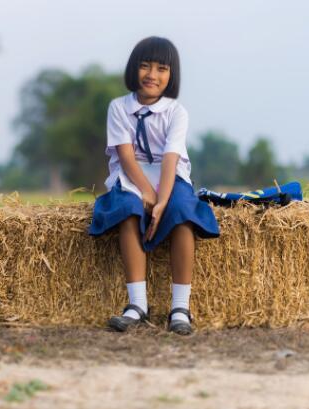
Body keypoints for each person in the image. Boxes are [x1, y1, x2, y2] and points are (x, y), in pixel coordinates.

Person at [88, 36, 220, 335]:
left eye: (162, 68)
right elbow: (125, 154)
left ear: (171, 76)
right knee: (128, 209)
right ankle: (137, 304)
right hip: (132, 174)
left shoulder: (176, 112)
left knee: (181, 213)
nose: (152, 75)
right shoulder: (118, 107)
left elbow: (171, 158)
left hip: (170, 174)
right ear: (134, 68)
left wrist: (162, 200)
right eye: (145, 66)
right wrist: (146, 192)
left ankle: (180, 307)